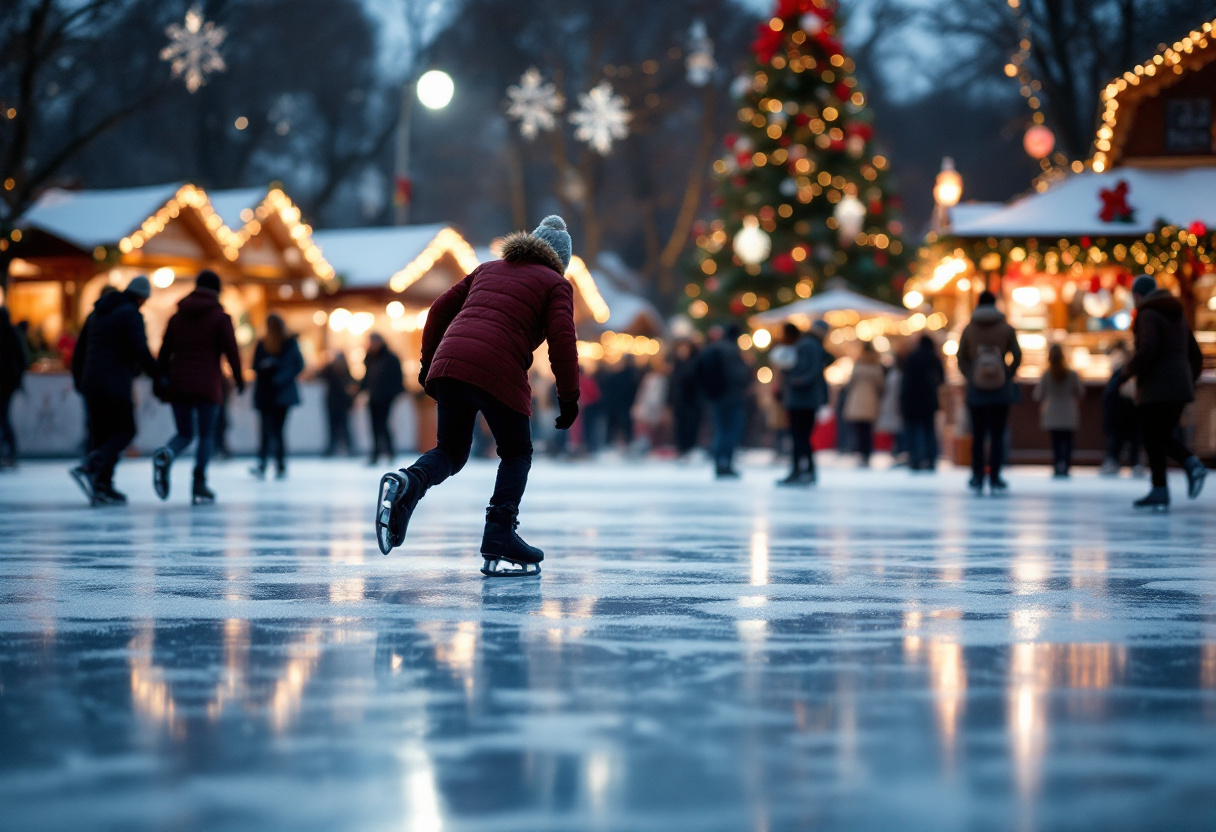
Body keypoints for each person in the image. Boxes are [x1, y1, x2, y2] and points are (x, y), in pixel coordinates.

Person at [375, 216, 580, 578]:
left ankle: (409, 483)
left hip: (451, 362)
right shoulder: (555, 284)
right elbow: (563, 341)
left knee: (451, 451)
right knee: (516, 452)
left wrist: (428, 363)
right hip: (498, 366)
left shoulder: (487, 269)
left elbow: (439, 308)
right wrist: (569, 396)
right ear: (558, 260)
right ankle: (499, 535)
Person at [151, 270, 244, 504]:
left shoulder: (177, 316)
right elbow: (232, 352)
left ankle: (169, 452)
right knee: (205, 435)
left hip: (179, 382)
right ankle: (199, 483)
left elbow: (164, 352)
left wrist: (160, 378)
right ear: (217, 291)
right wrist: (240, 379)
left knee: (184, 433)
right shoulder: (220, 318)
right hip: (207, 385)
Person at [69, 276, 160, 505]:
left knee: (101, 435)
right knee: (125, 431)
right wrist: (159, 375)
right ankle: (93, 467)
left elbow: (80, 350)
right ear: (141, 297)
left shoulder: (96, 313)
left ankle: (103, 484)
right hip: (115, 383)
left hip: (93, 383)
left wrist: (81, 380)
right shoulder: (130, 314)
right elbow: (140, 349)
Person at [1120, 274, 1206, 511]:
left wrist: (1124, 374)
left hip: (1157, 388)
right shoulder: (1176, 313)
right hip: (1178, 385)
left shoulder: (1147, 313)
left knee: (1154, 436)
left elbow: (1147, 349)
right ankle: (1161, 488)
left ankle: (1187, 465)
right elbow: (1195, 352)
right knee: (1159, 435)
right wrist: (1189, 379)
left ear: (1137, 295)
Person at [958, 290, 1022, 495]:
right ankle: (995, 476)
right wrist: (1007, 373)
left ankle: (977, 476)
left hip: (976, 391)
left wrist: (971, 375)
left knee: (977, 435)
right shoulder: (1006, 328)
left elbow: (960, 357)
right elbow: (1018, 354)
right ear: (996, 304)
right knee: (997, 435)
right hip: (1000, 390)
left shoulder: (969, 329)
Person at [776, 320, 831, 485]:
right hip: (807, 399)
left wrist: (795, 379)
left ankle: (800, 470)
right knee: (803, 436)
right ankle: (805, 470)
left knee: (799, 436)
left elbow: (807, 369)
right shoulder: (813, 345)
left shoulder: (807, 344)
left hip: (800, 399)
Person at [250, 313, 304, 479]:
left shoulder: (287, 343)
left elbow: (298, 365)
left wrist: (277, 372)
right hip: (273, 394)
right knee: (273, 431)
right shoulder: (270, 344)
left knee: (272, 431)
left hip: (277, 394)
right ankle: (273, 464)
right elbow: (255, 366)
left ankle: (269, 463)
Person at [697, 323, 750, 479]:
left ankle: (719, 462)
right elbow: (736, 374)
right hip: (731, 396)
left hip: (716, 397)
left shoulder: (713, 348)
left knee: (720, 429)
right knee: (731, 429)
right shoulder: (730, 350)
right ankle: (725, 462)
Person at [1034, 344, 1085, 478]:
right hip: (1069, 410)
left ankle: (1057, 466)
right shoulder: (1072, 374)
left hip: (1052, 411)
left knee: (1055, 442)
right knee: (1068, 441)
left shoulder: (1046, 374)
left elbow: (1037, 394)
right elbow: (1080, 392)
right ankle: (1067, 466)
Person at [900, 335, 945, 472]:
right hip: (929, 400)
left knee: (913, 431)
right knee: (929, 431)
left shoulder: (913, 357)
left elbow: (906, 381)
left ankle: (915, 459)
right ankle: (931, 459)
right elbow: (942, 379)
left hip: (913, 400)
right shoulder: (934, 358)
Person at [361, 333, 404, 465]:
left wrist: (393, 394)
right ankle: (376, 454)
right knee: (374, 426)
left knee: (383, 425)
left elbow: (398, 378)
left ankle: (390, 453)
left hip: (385, 397)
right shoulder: (370, 358)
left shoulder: (391, 358)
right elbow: (366, 377)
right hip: (374, 397)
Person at [1100, 341, 1141, 476]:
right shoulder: (1125, 371)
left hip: (1123, 410)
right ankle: (1133, 463)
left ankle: (1121, 462)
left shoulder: (1124, 372)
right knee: (1127, 438)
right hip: (1127, 410)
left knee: (1121, 438)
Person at [843, 341, 885, 467]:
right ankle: (866, 454)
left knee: (859, 430)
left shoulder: (858, 366)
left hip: (856, 400)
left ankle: (861, 453)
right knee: (868, 430)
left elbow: (850, 383)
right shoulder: (876, 367)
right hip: (871, 401)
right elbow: (881, 386)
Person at [0, 304, 29, 469]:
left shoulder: (9, 333)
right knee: (4, 417)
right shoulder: (13, 333)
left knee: (3, 417)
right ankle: (9, 452)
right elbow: (22, 358)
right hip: (9, 382)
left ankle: (9, 452)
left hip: (6, 382)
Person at [667, 339, 703, 459]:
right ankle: (681, 448)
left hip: (692, 401)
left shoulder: (695, 364)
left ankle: (689, 448)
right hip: (680, 402)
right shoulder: (677, 365)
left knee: (691, 425)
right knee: (680, 426)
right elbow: (672, 385)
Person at [320, 350, 355, 456]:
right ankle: (336, 448)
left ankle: (346, 448)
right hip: (334, 402)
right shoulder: (331, 370)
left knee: (342, 427)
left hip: (340, 403)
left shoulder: (341, 371)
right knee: (335, 427)